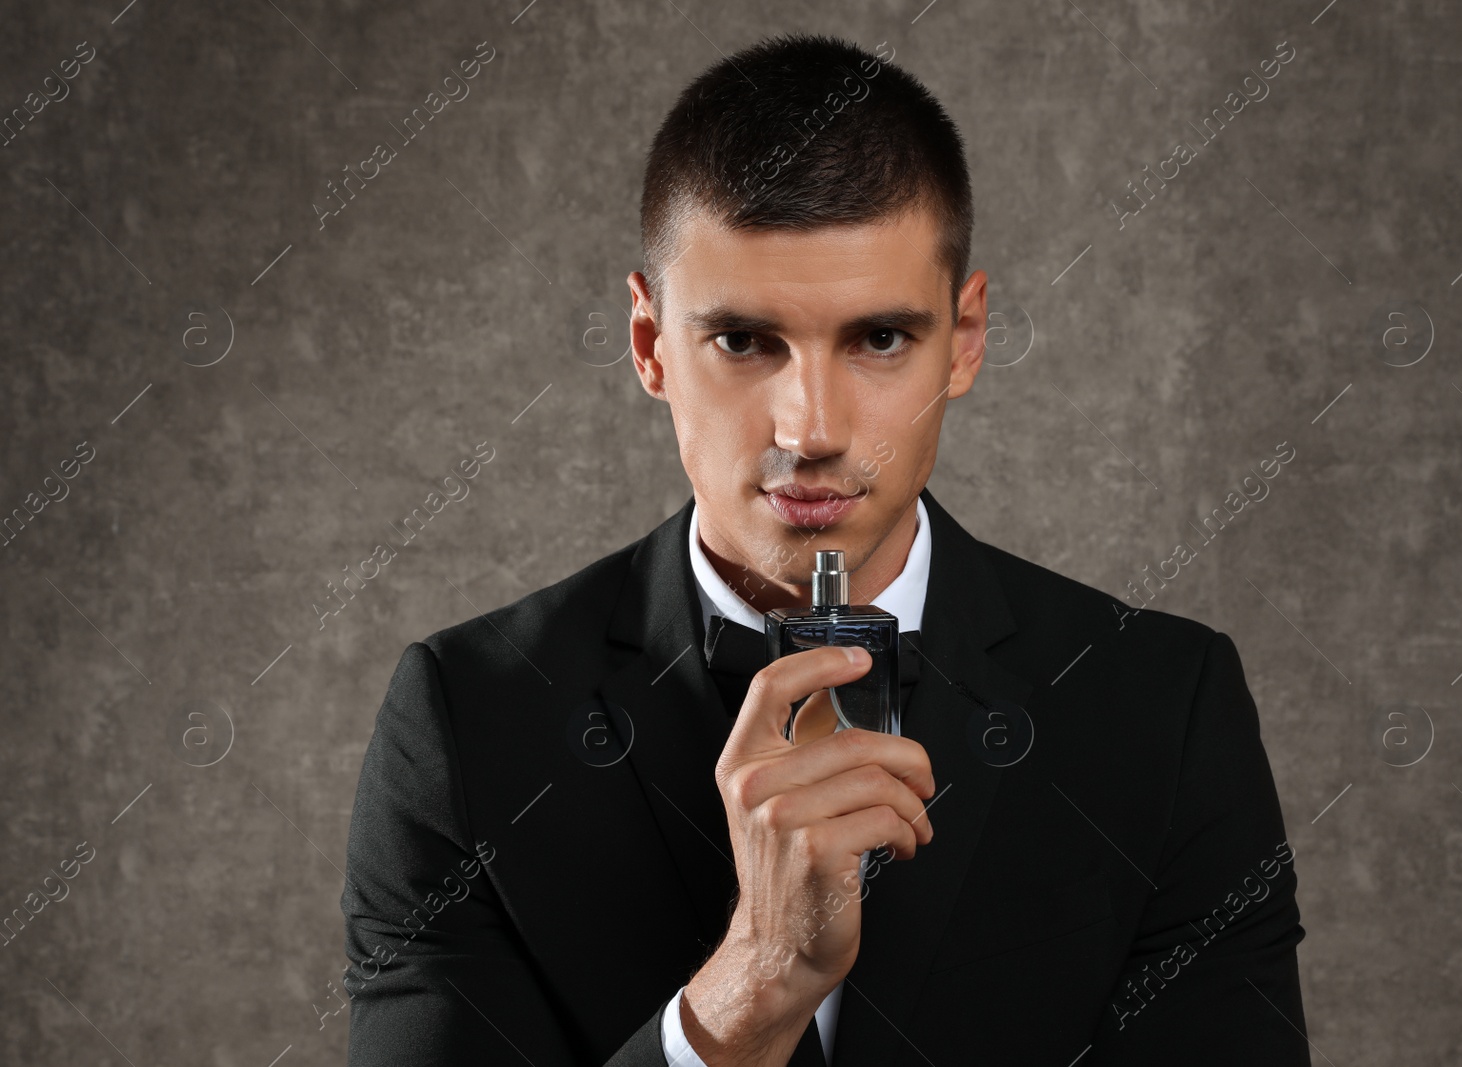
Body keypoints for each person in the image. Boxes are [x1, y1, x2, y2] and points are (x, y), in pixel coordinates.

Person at [342, 32, 1310, 1066]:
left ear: (966, 336)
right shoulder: (467, 719)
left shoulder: (1160, 708)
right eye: (744, 340)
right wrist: (751, 986)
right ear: (649, 345)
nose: (811, 428)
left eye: (880, 338)